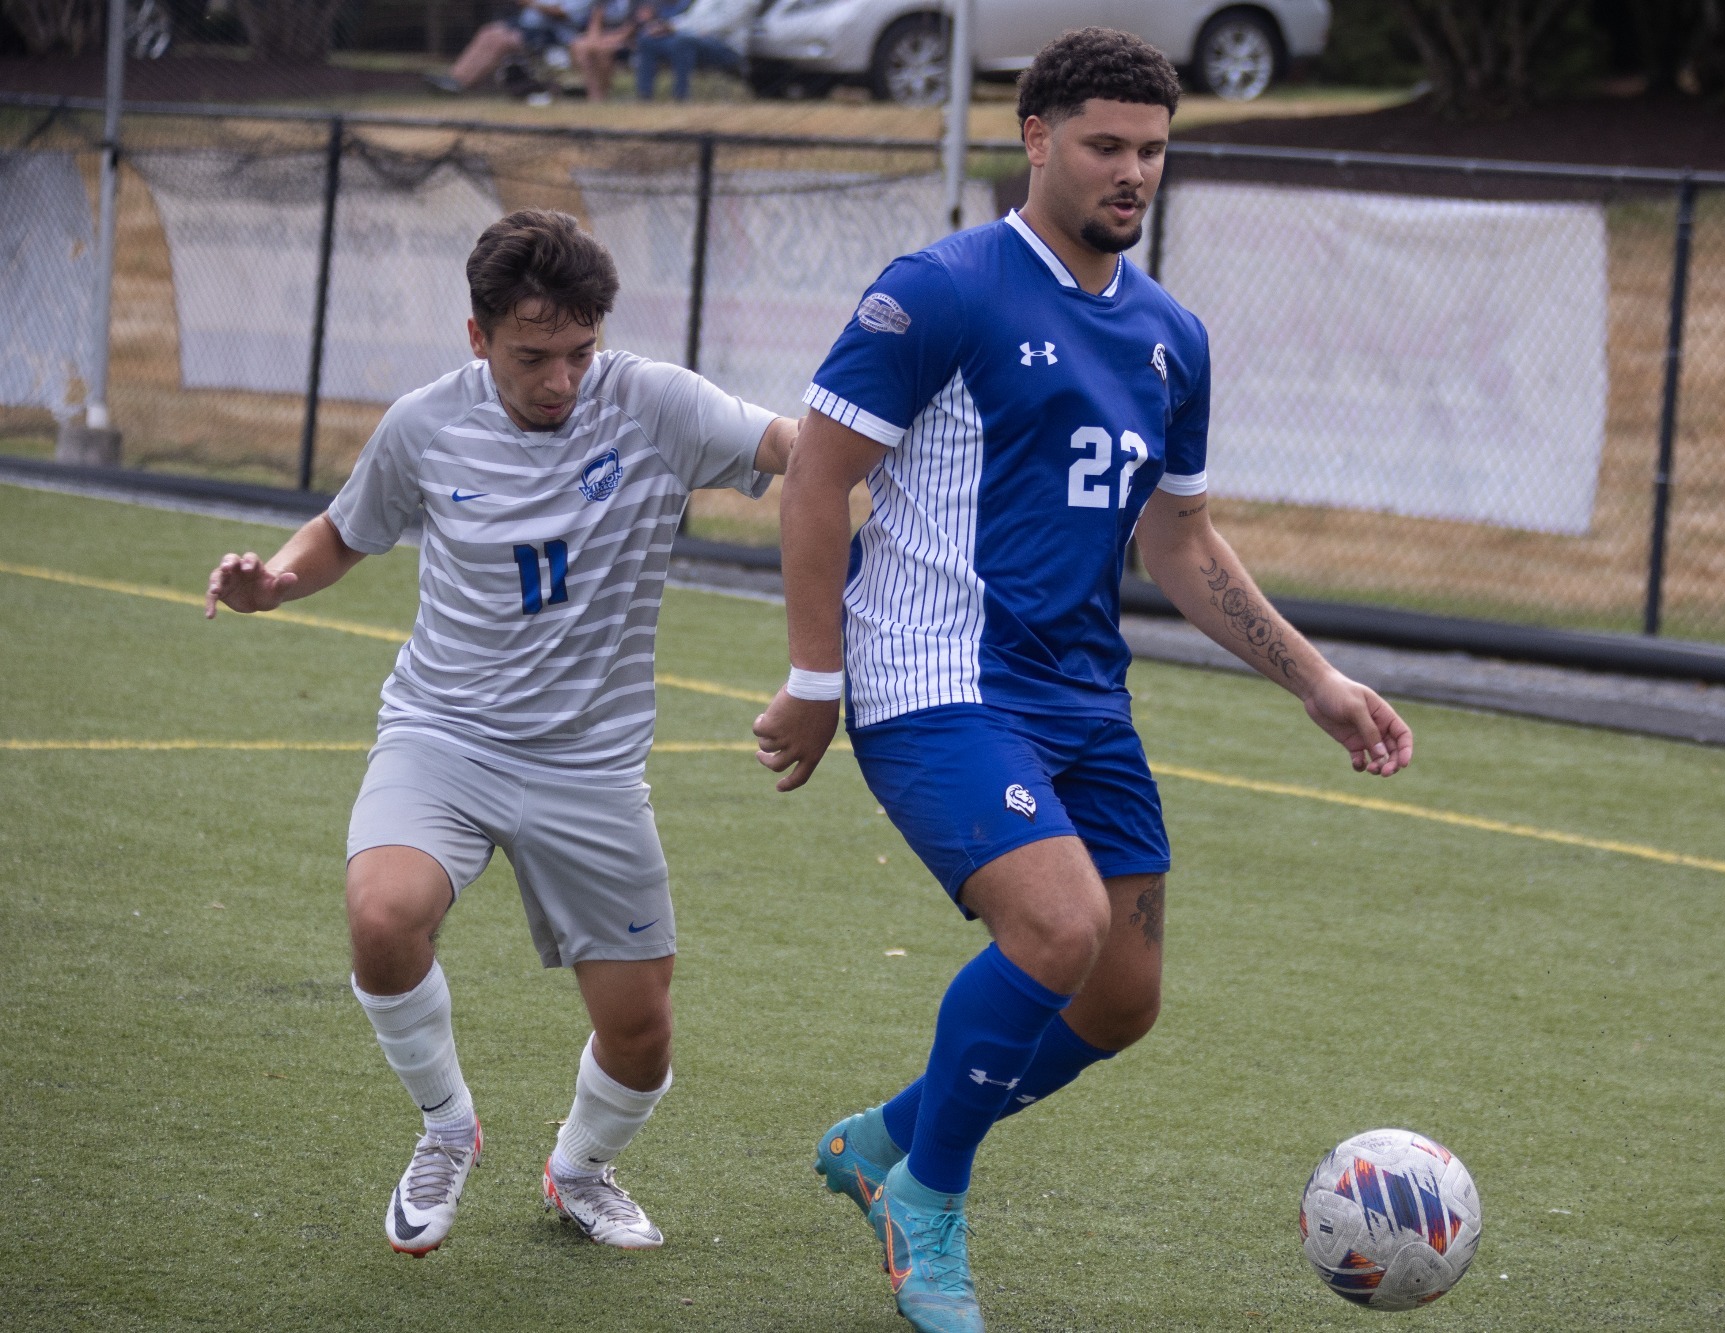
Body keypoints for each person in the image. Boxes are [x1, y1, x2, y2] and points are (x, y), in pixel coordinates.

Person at [751, 28, 1414, 1333]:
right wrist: (813, 677)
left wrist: (1316, 682)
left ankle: (889, 1138)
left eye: (1153, 150)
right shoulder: (939, 291)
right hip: (935, 674)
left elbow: (1180, 542)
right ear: (1035, 138)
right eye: (1106, 145)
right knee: (1056, 927)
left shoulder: (1171, 337)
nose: (1132, 172)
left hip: (1082, 696)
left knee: (1120, 996)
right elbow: (818, 479)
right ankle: (928, 1200)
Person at [204, 209, 796, 1257]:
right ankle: (446, 1128)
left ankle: (580, 1169)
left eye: (580, 352)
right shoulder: (425, 424)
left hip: (590, 767)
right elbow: (344, 530)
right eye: (532, 356)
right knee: (382, 914)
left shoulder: (655, 403)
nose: (561, 379)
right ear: (478, 337)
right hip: (444, 737)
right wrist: (277, 582)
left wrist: (884, 443)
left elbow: (795, 447)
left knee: (641, 1035)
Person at [428, 0, 594, 95]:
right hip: (524, 26)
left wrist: (530, 3)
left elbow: (562, 14)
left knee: (501, 40)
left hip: (551, 35)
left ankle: (463, 82)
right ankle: (456, 77)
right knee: (489, 31)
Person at [631, 0, 757, 102]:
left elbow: (723, 25)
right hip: (694, 41)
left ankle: (680, 96)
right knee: (647, 39)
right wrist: (664, 26)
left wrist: (674, 28)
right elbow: (691, 18)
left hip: (726, 48)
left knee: (683, 42)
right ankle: (644, 96)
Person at [569, 1, 640, 103]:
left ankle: (602, 94)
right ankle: (593, 94)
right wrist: (597, 40)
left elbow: (631, 28)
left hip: (628, 40)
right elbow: (594, 27)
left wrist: (608, 40)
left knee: (603, 50)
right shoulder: (601, 3)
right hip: (603, 39)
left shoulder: (636, 3)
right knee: (580, 47)